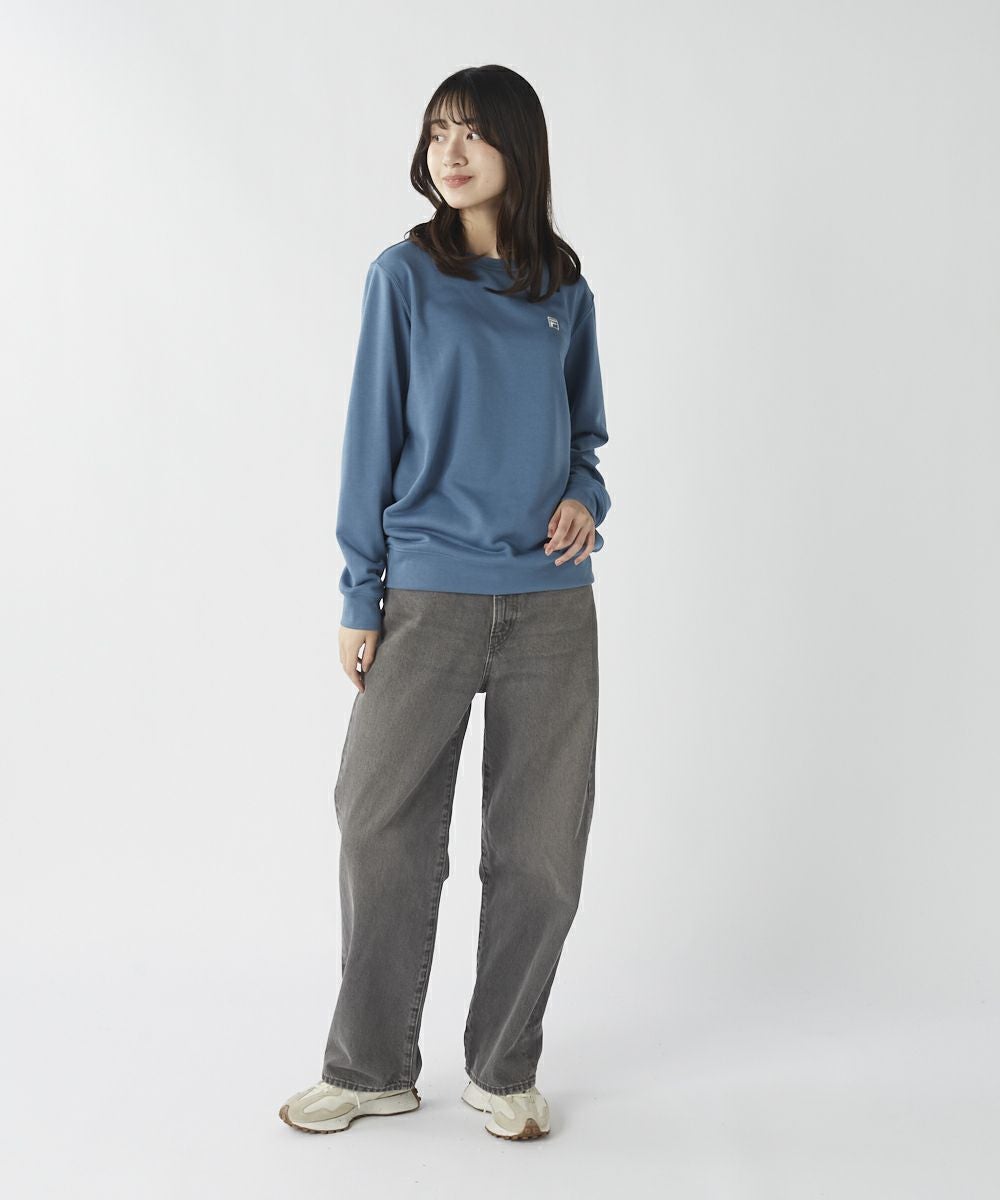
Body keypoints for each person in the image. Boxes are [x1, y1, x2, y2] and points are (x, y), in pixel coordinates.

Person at [279, 64, 611, 1141]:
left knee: (541, 853)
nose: (450, 153)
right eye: (436, 134)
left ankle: (504, 1068)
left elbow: (588, 438)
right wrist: (359, 589)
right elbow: (369, 435)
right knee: (376, 820)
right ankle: (370, 1066)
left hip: (550, 606)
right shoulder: (404, 276)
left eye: (472, 133)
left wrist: (586, 495)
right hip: (426, 594)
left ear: (519, 146)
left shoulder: (563, 289)